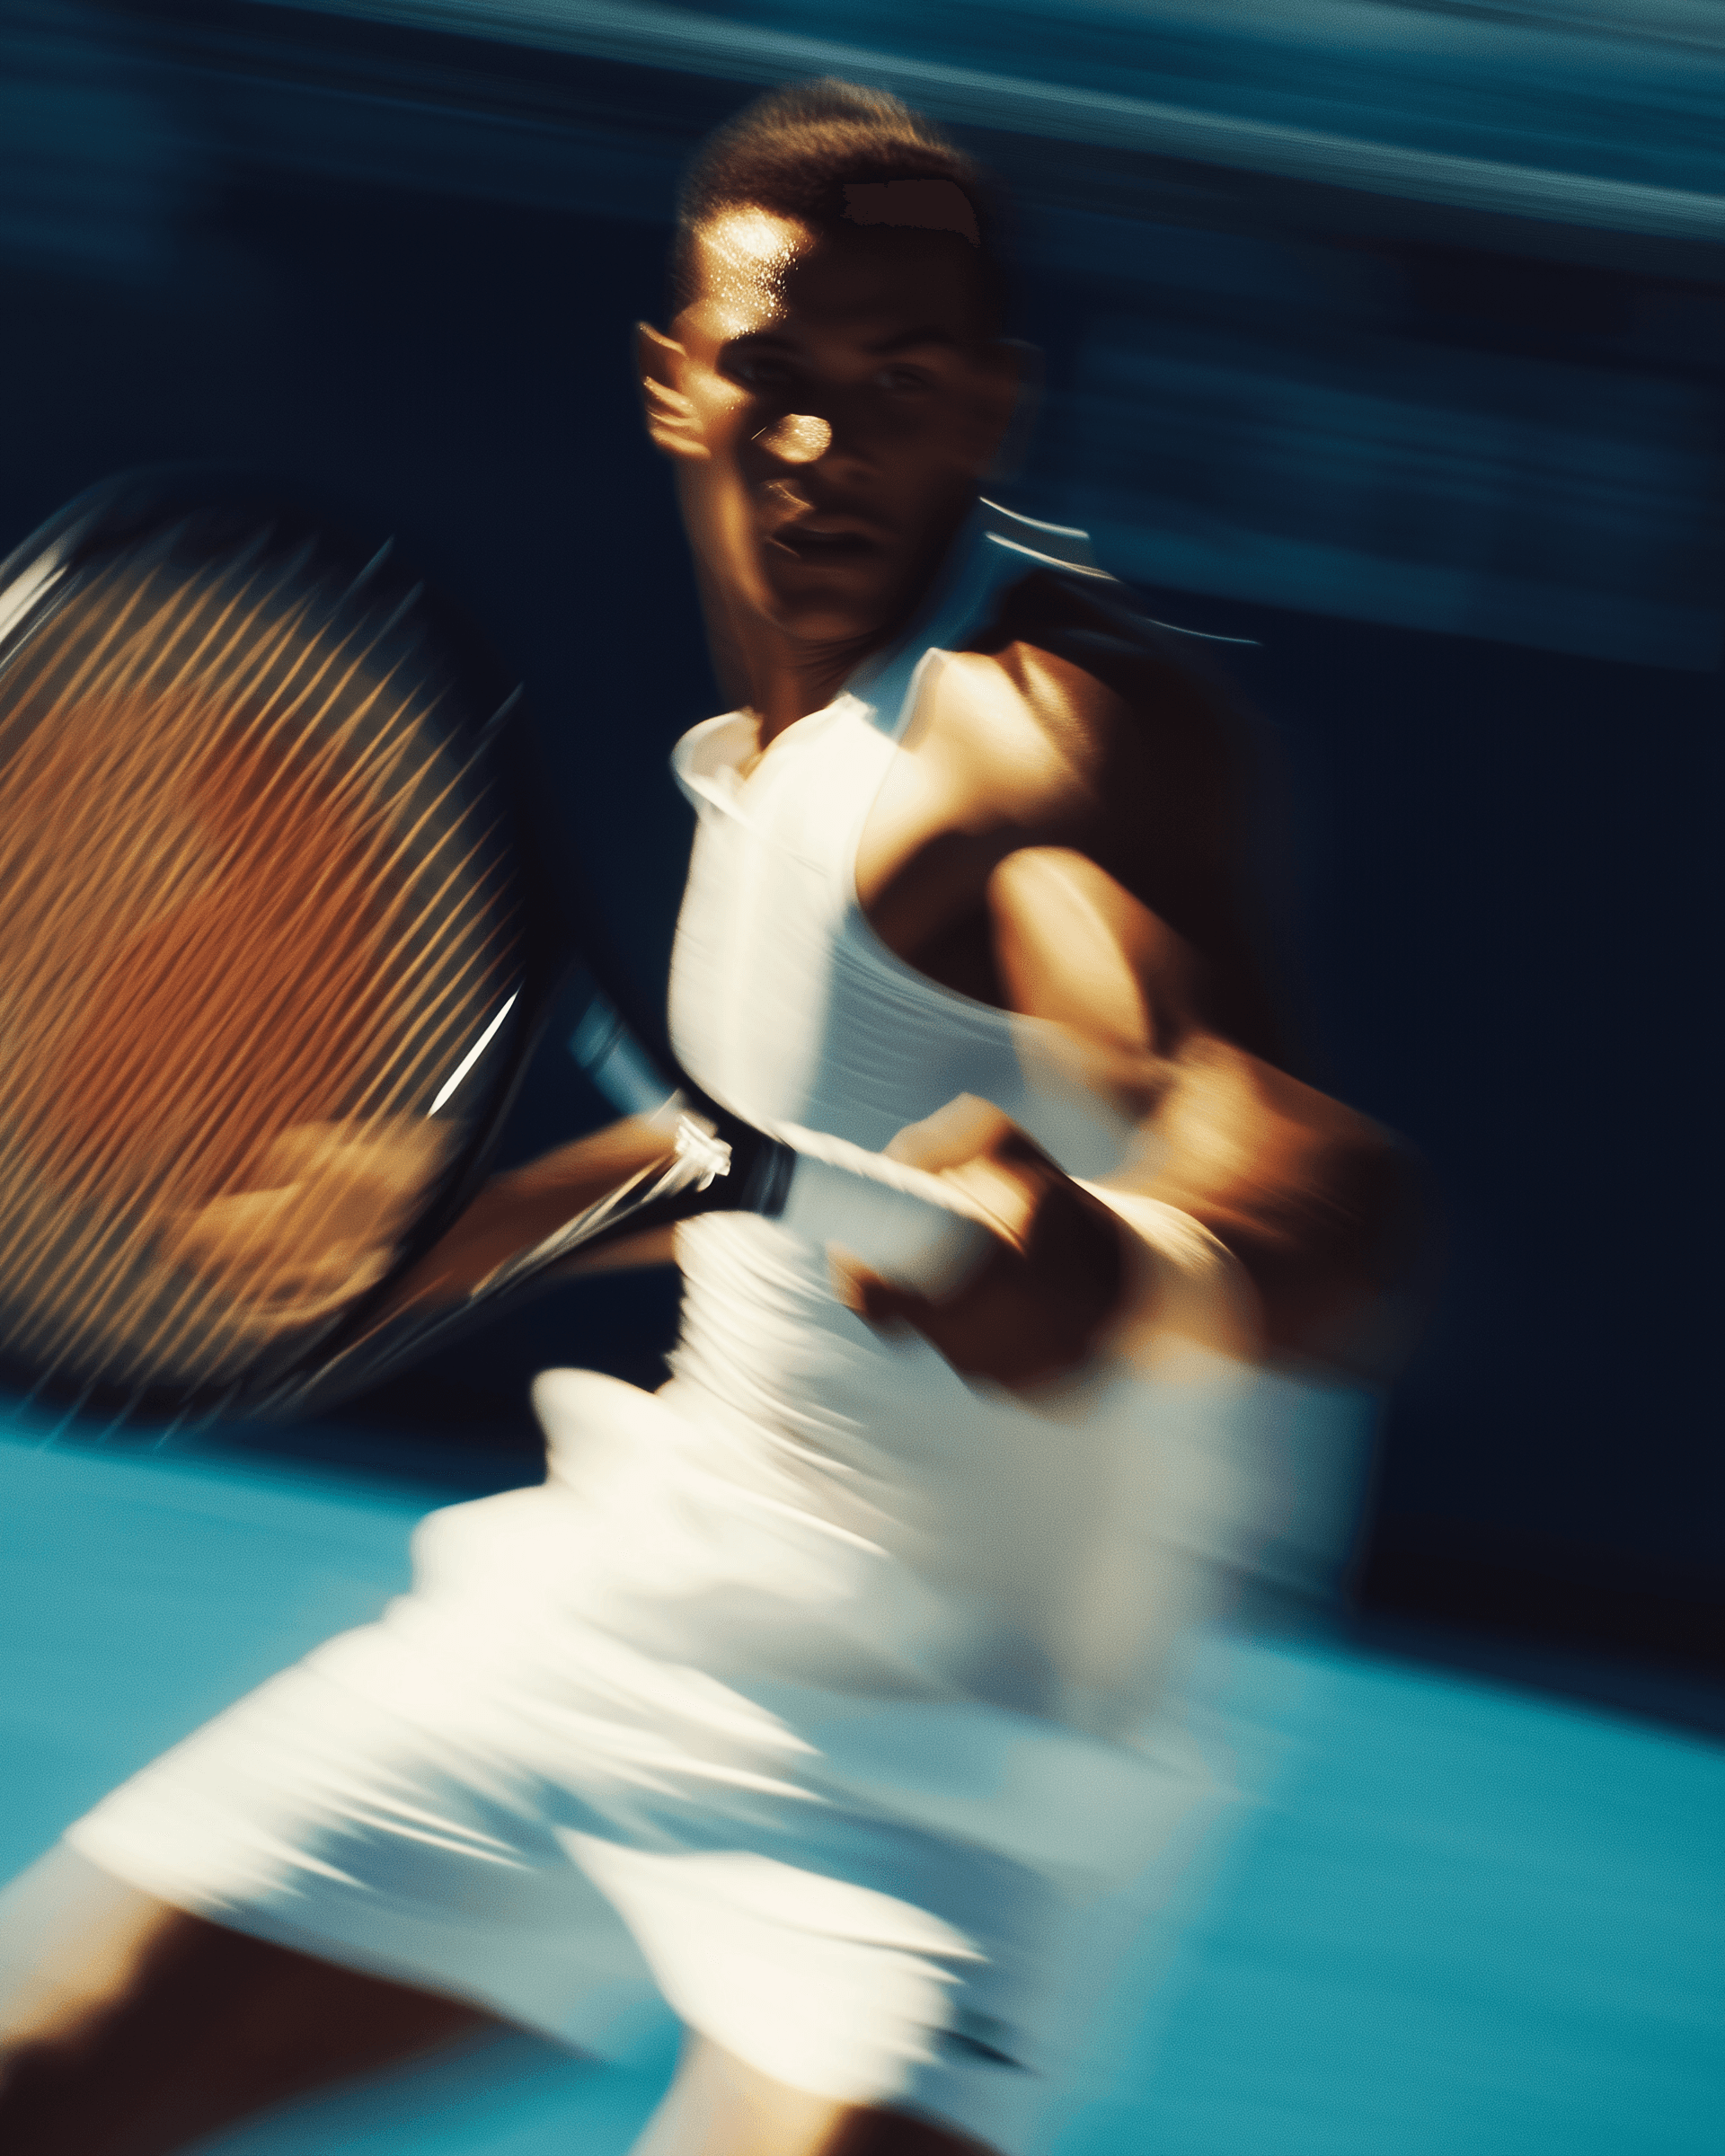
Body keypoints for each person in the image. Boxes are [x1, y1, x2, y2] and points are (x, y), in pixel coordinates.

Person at [0, 81, 1416, 2156]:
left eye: (904, 384)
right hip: (624, 1608)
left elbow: (1291, 1167)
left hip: (964, 1773)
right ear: (676, 384)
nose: (830, 444)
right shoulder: (771, 750)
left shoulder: (1047, 740)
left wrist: (1146, 1260)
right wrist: (477, 1217)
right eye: (776, 376)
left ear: (996, 412)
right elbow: (754, 1138)